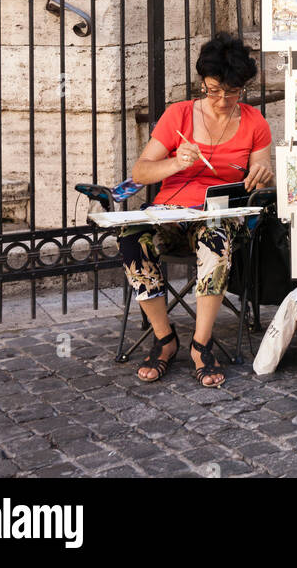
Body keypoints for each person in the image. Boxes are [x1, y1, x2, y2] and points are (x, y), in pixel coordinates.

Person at [118, 32, 273, 388]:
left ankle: (201, 345)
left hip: (219, 218)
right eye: (213, 89)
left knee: (214, 238)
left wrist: (261, 176)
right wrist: (174, 163)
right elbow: (141, 172)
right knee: (131, 237)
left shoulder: (254, 123)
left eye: (231, 92)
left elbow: (261, 182)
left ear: (243, 87)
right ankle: (165, 338)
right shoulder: (179, 115)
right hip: (172, 215)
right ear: (202, 83)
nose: (221, 100)